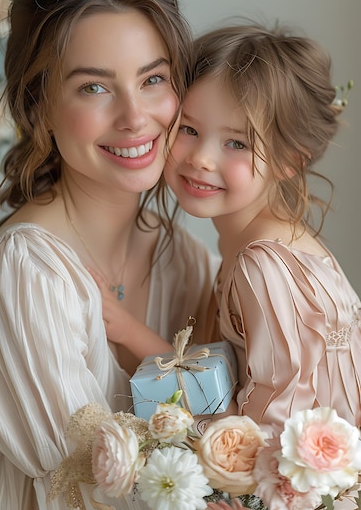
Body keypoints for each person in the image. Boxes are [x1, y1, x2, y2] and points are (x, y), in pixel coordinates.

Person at [0, 0, 219, 510]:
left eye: (153, 79)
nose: (135, 117)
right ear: (38, 106)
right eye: (94, 87)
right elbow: (91, 495)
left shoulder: (182, 257)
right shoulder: (24, 273)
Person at [102, 21, 361, 433]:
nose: (202, 158)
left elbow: (268, 431)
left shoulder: (264, 264)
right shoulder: (251, 246)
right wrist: (129, 329)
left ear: (288, 160)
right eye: (188, 129)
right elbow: (226, 385)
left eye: (237, 143)